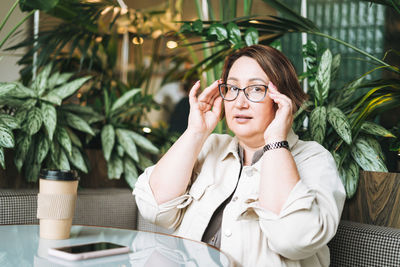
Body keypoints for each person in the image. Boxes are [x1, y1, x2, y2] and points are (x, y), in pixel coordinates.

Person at [133, 45, 346, 267]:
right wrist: (196, 132)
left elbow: (293, 240)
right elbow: (154, 208)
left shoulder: (314, 159)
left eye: (255, 89)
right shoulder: (211, 146)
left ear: (282, 98)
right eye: (232, 88)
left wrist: (275, 140)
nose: (239, 102)